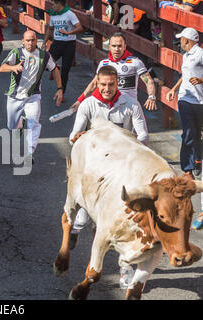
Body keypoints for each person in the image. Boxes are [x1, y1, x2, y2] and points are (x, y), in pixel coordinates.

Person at [69, 65, 149, 288]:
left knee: (127, 222)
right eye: (102, 84)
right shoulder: (88, 104)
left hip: (123, 168)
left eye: (111, 84)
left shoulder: (131, 104)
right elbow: (72, 137)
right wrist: (79, 137)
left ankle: (126, 269)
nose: (106, 89)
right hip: (96, 170)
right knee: (87, 214)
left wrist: (127, 141)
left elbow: (143, 135)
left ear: (118, 83)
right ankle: (76, 227)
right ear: (96, 82)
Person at [0, 30, 63, 162]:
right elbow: (2, 67)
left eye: (33, 40)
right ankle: (21, 123)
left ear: (37, 41)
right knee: (12, 127)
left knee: (34, 123)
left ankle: (30, 153)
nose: (30, 43)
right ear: (23, 41)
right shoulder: (16, 53)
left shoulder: (44, 56)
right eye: (27, 40)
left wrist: (59, 89)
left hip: (33, 96)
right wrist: (13, 68)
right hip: (15, 96)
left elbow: (54, 70)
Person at [71, 33, 157, 112]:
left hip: (129, 107)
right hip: (108, 108)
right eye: (114, 46)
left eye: (120, 46)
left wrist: (151, 97)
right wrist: (79, 101)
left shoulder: (135, 62)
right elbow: (94, 84)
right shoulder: (104, 63)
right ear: (109, 47)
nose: (117, 49)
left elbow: (148, 80)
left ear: (125, 46)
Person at [166, 28, 203, 179]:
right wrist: (173, 89)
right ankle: (187, 170)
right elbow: (185, 75)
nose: (180, 42)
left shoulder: (200, 54)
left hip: (200, 100)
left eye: (181, 39)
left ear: (187, 40)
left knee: (197, 133)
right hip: (185, 99)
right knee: (188, 132)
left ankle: (198, 160)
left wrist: (201, 80)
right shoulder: (186, 56)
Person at [42, 0, 83, 98]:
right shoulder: (54, 15)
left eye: (54, 4)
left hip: (69, 44)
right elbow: (50, 29)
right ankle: (56, 68)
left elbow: (80, 28)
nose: (52, 6)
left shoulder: (70, 14)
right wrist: (44, 42)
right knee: (45, 64)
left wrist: (69, 33)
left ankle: (61, 93)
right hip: (57, 43)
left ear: (60, 4)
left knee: (65, 70)